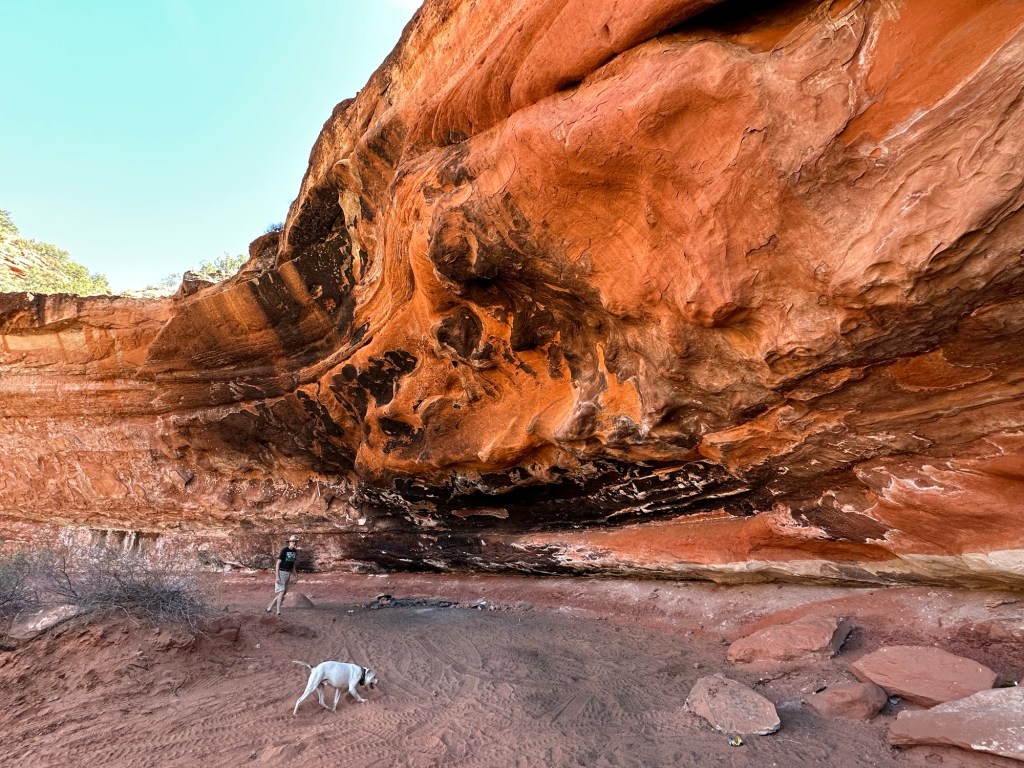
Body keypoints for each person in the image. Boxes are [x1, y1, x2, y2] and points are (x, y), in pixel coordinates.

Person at [266, 534, 300, 615]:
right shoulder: (284, 551)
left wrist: (295, 574)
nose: (294, 543)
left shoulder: (294, 551)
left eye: (295, 542)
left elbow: (293, 564)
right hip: (281, 572)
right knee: (281, 592)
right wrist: (277, 576)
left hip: (288, 573)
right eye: (293, 541)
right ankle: (278, 611)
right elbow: (278, 563)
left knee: (283, 592)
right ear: (289, 542)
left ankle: (270, 607)